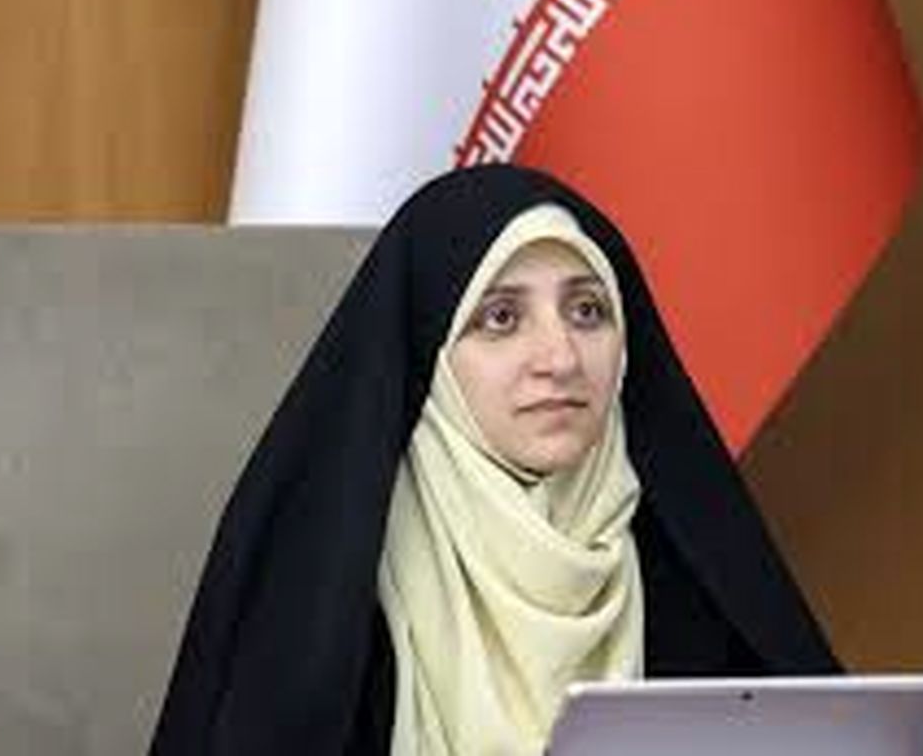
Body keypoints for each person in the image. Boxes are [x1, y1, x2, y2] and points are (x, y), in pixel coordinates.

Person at [150, 165, 838, 755]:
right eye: (501, 319)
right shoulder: (325, 597)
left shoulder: (691, 583)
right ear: (428, 355)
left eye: (588, 311)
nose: (560, 359)